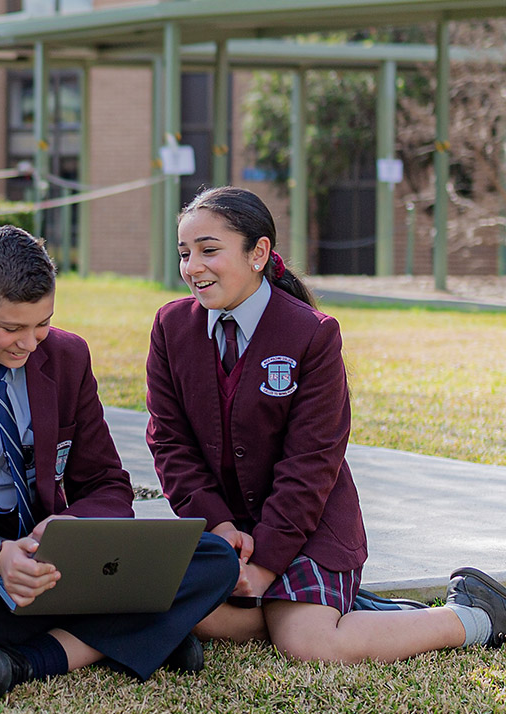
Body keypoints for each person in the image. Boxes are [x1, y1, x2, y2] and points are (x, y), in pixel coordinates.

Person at [0, 225, 240, 699]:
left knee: (213, 559)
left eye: (42, 323)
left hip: (46, 547)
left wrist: (65, 529)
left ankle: (28, 659)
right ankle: (136, 632)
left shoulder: (67, 356)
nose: (30, 342)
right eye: (12, 328)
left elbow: (106, 484)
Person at [148, 186, 505, 662]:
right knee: (192, 612)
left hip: (308, 524)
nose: (193, 267)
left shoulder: (312, 333)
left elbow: (312, 463)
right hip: (227, 529)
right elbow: (169, 442)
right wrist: (221, 526)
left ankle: (475, 616)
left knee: (308, 644)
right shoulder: (171, 327)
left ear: (258, 253)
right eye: (184, 253)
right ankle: (353, 609)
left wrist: (268, 563)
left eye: (209, 251)